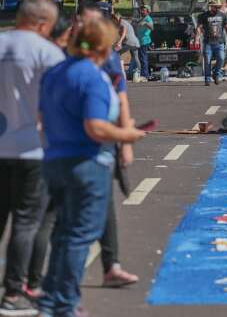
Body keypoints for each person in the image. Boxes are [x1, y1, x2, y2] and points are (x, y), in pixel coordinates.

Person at [37, 18, 145, 317]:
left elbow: (41, 116)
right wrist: (127, 136)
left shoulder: (55, 72)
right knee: (80, 234)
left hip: (54, 159)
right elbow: (96, 126)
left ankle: (51, 298)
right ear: (103, 47)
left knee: (63, 232)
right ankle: (64, 303)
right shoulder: (92, 77)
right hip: (87, 161)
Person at [0, 0, 64, 316]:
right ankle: (13, 293)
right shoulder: (48, 53)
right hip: (32, 149)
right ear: (41, 23)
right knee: (25, 223)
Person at [197, 0, 227, 86]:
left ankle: (216, 74)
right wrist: (196, 38)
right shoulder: (204, 16)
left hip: (220, 42)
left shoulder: (222, 15)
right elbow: (199, 27)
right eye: (215, 6)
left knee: (221, 58)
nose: (217, 8)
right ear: (211, 6)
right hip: (208, 42)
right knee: (207, 61)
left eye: (218, 6)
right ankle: (207, 78)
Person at [113, 12, 141, 80]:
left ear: (118, 18)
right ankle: (139, 72)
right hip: (135, 42)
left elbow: (124, 33)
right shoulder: (121, 23)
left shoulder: (122, 23)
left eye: (114, 19)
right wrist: (116, 42)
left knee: (116, 52)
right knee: (136, 57)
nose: (113, 21)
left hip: (129, 43)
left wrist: (119, 42)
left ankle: (119, 69)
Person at [135, 5, 154, 80]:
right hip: (139, 41)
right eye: (141, 9)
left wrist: (146, 24)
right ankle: (144, 74)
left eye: (144, 10)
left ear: (147, 11)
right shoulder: (142, 18)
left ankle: (145, 75)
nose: (141, 11)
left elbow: (152, 27)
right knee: (141, 58)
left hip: (144, 41)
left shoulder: (148, 19)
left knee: (143, 58)